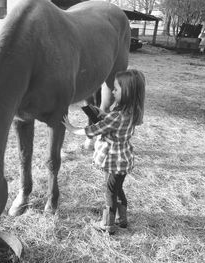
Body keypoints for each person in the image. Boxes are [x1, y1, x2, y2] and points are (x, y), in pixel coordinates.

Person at [62, 69, 145, 235]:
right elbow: (111, 121)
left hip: (113, 160)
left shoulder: (116, 117)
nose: (112, 92)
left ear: (127, 92)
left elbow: (93, 130)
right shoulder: (132, 110)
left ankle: (107, 224)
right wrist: (101, 113)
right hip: (123, 158)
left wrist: (71, 128)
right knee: (117, 189)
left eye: (116, 89)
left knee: (110, 191)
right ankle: (122, 219)